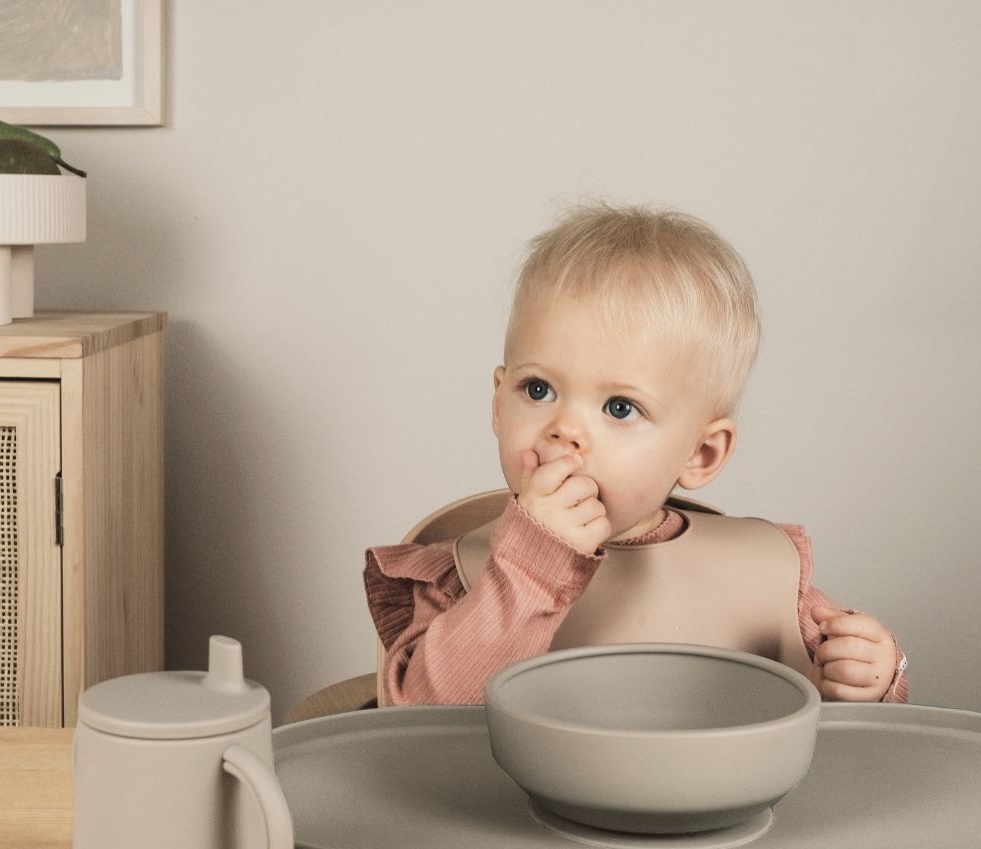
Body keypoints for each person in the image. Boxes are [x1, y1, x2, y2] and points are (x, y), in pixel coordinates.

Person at [364, 202, 908, 706]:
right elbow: (419, 726)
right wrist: (527, 570)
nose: (565, 430)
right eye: (538, 391)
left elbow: (861, 727)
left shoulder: (764, 572)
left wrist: (873, 676)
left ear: (700, 454)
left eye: (620, 408)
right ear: (498, 405)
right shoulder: (462, 577)